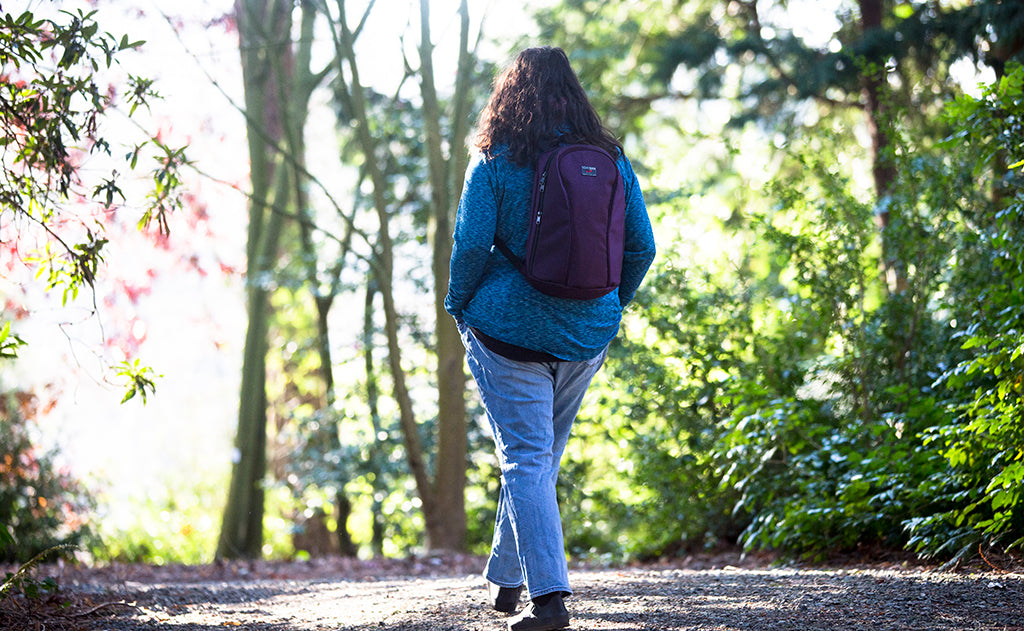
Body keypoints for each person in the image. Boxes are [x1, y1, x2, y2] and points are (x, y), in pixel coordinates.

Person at [445, 46, 656, 631]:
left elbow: (469, 247)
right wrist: (609, 307)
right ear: (574, 92)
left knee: (527, 459)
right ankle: (507, 582)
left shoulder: (494, 157)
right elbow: (642, 247)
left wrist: (458, 304)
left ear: (510, 93)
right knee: (538, 458)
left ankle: (550, 600)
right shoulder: (609, 158)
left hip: (507, 331)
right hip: (585, 334)